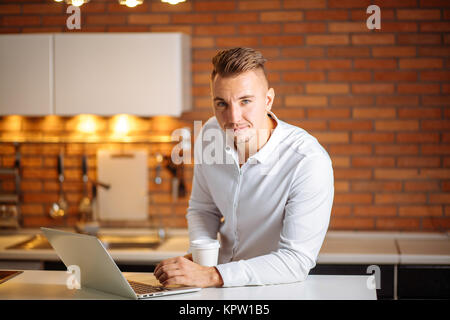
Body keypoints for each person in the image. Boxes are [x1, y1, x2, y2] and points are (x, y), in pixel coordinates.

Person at [154, 47, 334, 288]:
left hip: (275, 291)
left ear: (268, 100)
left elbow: (296, 261)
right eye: (222, 104)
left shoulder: (307, 161)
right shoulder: (210, 134)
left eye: (245, 101)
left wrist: (212, 275)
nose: (233, 117)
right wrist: (201, 260)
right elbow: (202, 209)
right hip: (217, 290)